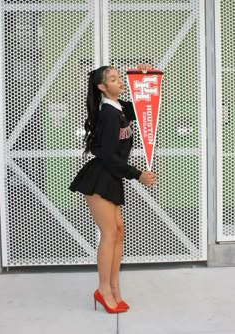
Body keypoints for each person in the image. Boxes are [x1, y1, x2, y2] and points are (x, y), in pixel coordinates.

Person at [69, 64, 156, 313]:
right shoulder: (107, 113)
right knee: (109, 234)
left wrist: (143, 77)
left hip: (111, 177)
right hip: (100, 178)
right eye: (114, 79)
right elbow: (107, 155)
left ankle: (114, 288)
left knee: (118, 231)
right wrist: (137, 174)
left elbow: (141, 107)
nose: (120, 82)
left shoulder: (119, 108)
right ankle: (103, 290)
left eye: (119, 78)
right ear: (101, 87)